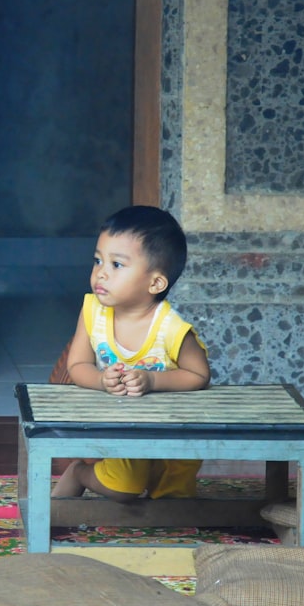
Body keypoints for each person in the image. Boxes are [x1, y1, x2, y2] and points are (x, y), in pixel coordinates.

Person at [50, 205, 211, 503]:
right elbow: (77, 364)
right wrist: (101, 380)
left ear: (155, 283)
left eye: (117, 265)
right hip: (118, 426)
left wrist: (153, 380)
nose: (101, 273)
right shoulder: (93, 313)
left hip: (173, 429)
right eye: (98, 260)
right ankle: (78, 474)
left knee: (173, 499)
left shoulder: (171, 328)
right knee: (123, 487)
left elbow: (199, 375)